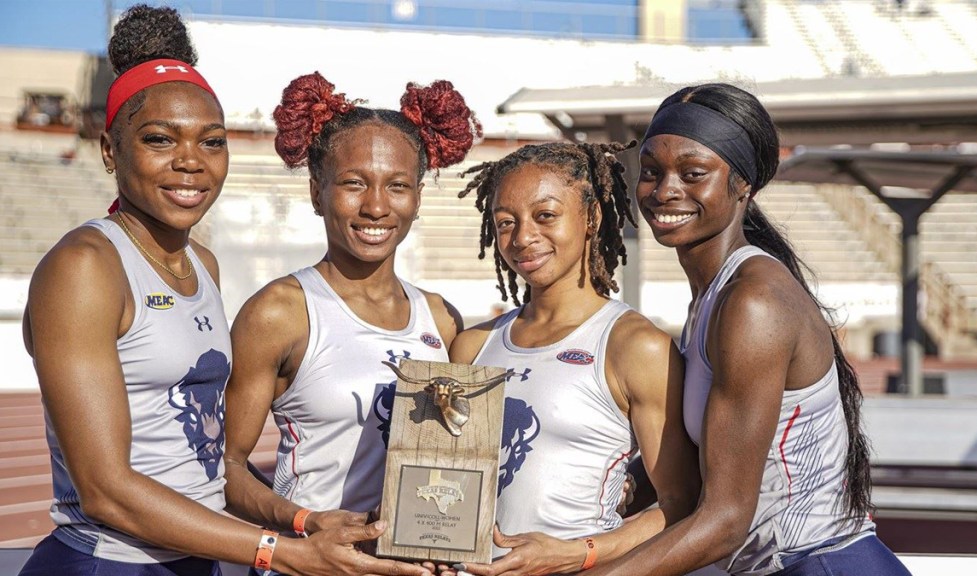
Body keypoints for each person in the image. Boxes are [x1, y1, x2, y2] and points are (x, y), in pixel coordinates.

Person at [18, 5, 429, 576]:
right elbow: (104, 490)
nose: (190, 162)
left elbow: (210, 462)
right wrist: (284, 552)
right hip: (111, 562)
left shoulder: (200, 264)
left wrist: (303, 520)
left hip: (197, 559)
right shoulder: (85, 267)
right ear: (111, 151)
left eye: (212, 142)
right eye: (160, 139)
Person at [586, 84, 911, 576]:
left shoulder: (752, 303)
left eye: (694, 174)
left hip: (822, 565)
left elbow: (726, 520)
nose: (664, 190)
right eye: (651, 172)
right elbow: (693, 467)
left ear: (744, 185)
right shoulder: (711, 296)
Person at [221, 71, 480, 571]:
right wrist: (304, 523)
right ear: (317, 192)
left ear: (419, 198)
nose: (377, 206)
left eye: (398, 186)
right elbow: (224, 464)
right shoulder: (280, 311)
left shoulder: (442, 319)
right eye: (354, 183)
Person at [444, 142, 695, 575]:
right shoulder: (472, 347)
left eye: (545, 216)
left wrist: (578, 553)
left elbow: (681, 502)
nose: (523, 237)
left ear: (591, 217)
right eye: (506, 222)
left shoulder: (635, 345)